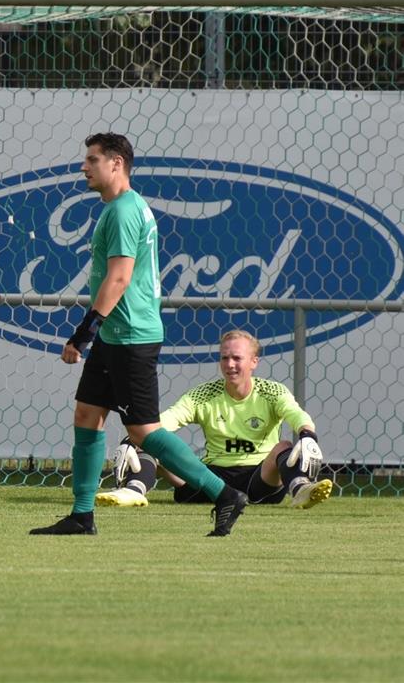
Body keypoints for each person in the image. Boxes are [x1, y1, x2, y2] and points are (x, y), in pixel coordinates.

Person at [30, 133, 250, 537]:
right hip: (116, 336)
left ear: (116, 163)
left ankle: (225, 495)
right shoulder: (118, 208)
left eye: (92, 160)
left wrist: (83, 334)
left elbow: (119, 277)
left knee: (143, 432)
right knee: (87, 414)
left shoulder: (124, 212)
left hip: (131, 336)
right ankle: (82, 515)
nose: (84, 167)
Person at [96, 330, 333, 510]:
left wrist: (308, 433)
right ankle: (133, 490)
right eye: (224, 358)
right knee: (153, 441)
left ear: (254, 362)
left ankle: (301, 489)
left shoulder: (272, 391)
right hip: (209, 480)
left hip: (259, 479)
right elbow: (166, 420)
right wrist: (132, 439)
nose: (230, 365)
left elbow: (296, 414)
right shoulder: (204, 394)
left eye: (237, 358)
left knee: (284, 447)